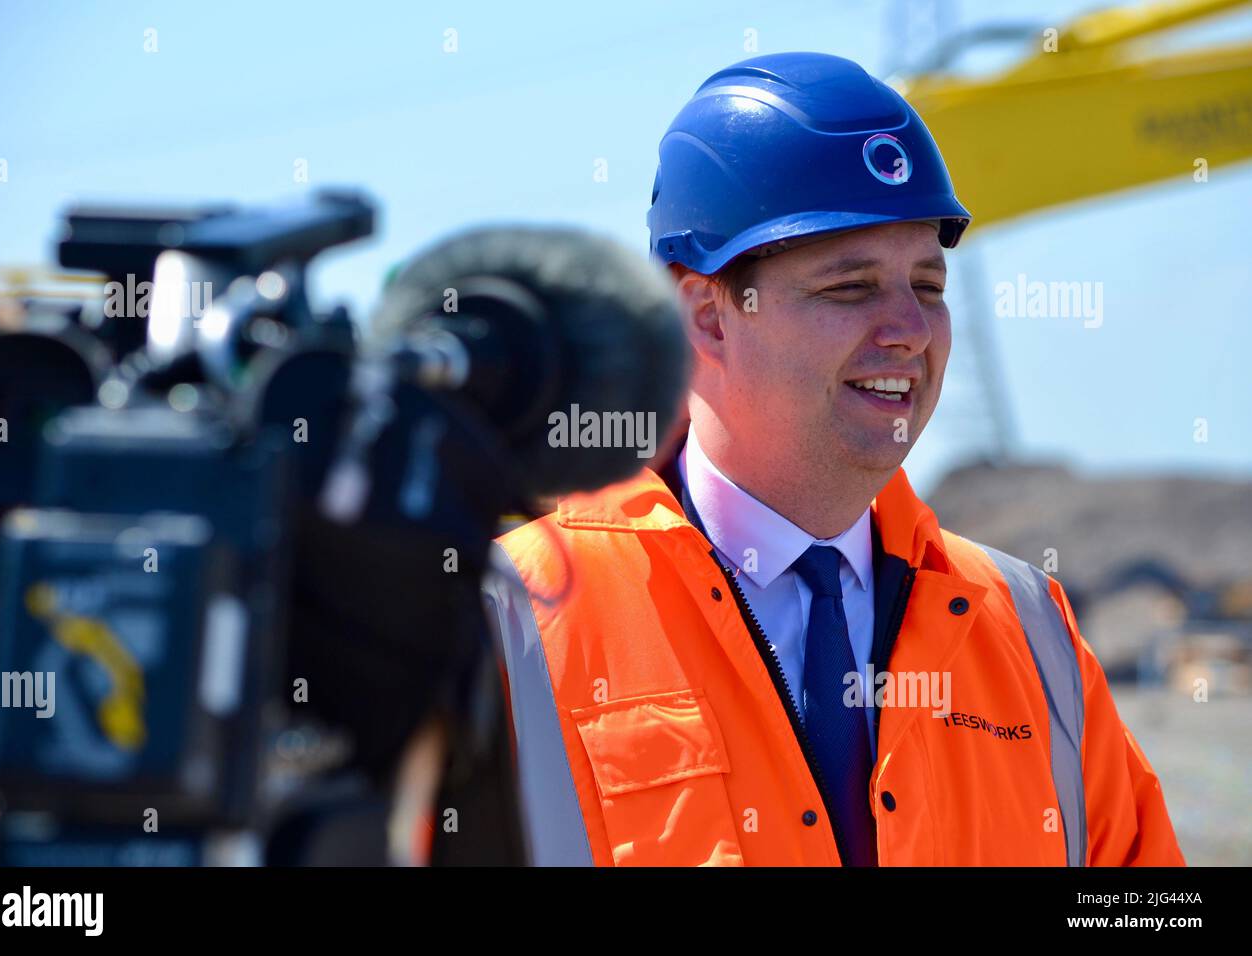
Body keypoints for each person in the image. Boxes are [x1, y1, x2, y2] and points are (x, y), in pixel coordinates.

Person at [482, 52, 1185, 866]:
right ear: (708, 317)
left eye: (928, 285)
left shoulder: (1032, 632)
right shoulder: (517, 618)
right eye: (850, 288)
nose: (910, 331)